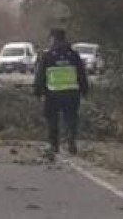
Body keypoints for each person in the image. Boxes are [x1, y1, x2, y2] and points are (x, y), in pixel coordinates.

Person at [33, 28, 89, 156]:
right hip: (71, 93)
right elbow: (81, 74)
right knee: (71, 118)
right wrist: (84, 90)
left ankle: (54, 146)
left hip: (53, 93)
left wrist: (37, 91)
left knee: (52, 120)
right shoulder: (73, 55)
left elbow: (40, 76)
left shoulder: (48, 56)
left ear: (52, 39)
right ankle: (71, 141)